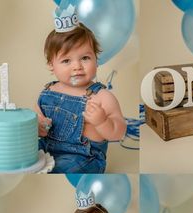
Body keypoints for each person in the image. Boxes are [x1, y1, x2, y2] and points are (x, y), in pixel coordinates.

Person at [37, 6, 126, 173]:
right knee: (21, 153)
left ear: (96, 59)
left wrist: (102, 122)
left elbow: (119, 132)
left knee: (62, 168)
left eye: (85, 58)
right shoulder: (48, 91)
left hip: (83, 157)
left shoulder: (102, 97)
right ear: (51, 65)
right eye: (66, 61)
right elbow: (37, 116)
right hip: (46, 149)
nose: (77, 66)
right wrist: (38, 125)